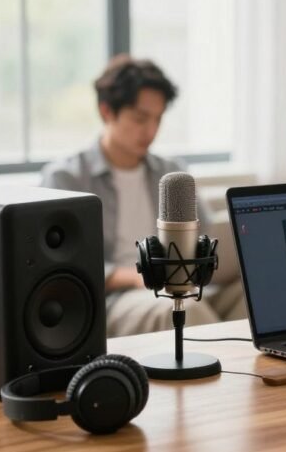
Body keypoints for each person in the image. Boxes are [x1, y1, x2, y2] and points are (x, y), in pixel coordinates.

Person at [41, 55, 243, 337]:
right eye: (140, 118)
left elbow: (204, 239)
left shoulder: (172, 172)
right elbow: (63, 264)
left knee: (257, 295)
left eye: (158, 119)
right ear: (106, 111)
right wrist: (137, 277)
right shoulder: (66, 178)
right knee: (186, 310)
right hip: (118, 299)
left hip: (186, 287)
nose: (151, 131)